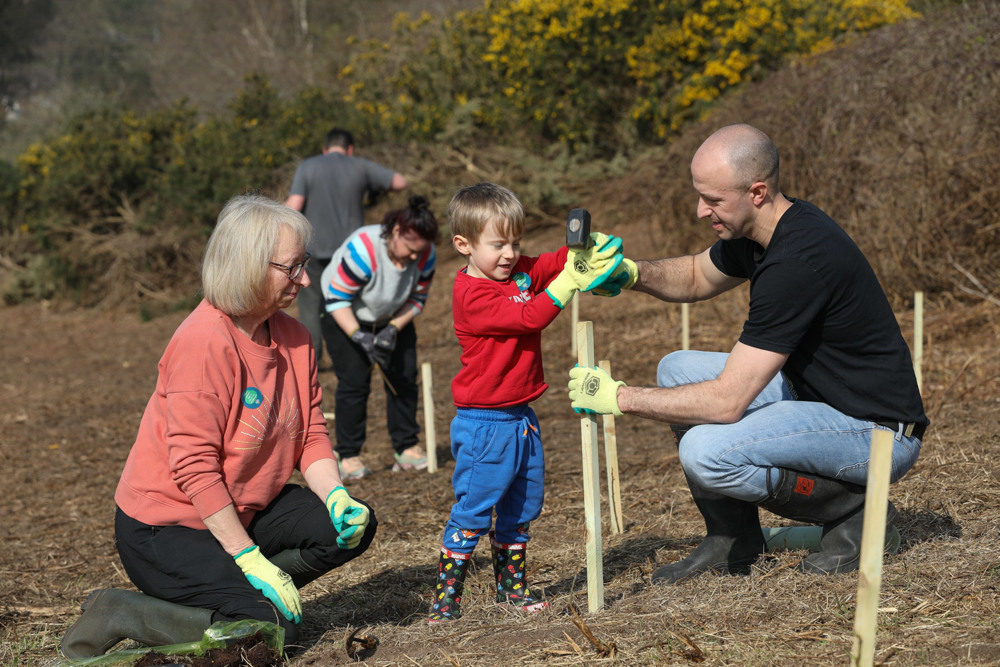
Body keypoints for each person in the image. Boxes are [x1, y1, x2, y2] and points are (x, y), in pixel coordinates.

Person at [568, 123, 926, 582]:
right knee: (676, 368)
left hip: (875, 431)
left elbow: (726, 401)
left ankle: (857, 513)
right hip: (819, 399)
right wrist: (630, 272)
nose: (701, 211)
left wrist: (620, 398)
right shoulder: (765, 231)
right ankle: (732, 540)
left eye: (713, 200)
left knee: (705, 452)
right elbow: (698, 275)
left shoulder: (797, 262)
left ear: (756, 192)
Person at [60, 194, 377, 659]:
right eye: (292, 268)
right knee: (270, 633)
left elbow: (310, 433)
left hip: (242, 510)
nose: (305, 279)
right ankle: (125, 612)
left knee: (354, 526)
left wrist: (334, 494)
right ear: (249, 265)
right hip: (165, 529)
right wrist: (248, 559)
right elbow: (194, 468)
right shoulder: (203, 342)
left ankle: (243, 593)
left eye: (304, 264)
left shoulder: (296, 338)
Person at [427, 182, 623, 623]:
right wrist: (569, 284)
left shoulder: (514, 273)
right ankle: (446, 597)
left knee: (522, 505)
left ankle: (511, 587)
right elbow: (529, 316)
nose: (510, 254)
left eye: (515, 242)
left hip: (521, 417)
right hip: (484, 424)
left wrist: (579, 254)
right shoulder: (471, 296)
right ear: (464, 245)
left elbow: (549, 264)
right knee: (474, 507)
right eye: (497, 244)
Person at [320, 195, 439, 480]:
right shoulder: (363, 251)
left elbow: (418, 298)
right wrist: (359, 336)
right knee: (354, 382)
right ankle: (347, 454)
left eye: (418, 252)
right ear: (396, 232)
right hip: (343, 315)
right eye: (410, 249)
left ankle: (406, 448)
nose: (414, 257)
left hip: (392, 317)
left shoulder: (425, 255)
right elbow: (337, 299)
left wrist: (392, 329)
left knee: (403, 377)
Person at [284, 128, 407, 363]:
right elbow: (400, 182)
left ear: (324, 149)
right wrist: (374, 189)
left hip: (313, 251)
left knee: (311, 310)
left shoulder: (307, 167)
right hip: (353, 256)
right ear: (350, 149)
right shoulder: (360, 166)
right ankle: (355, 357)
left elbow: (293, 206)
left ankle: (312, 362)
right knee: (347, 303)